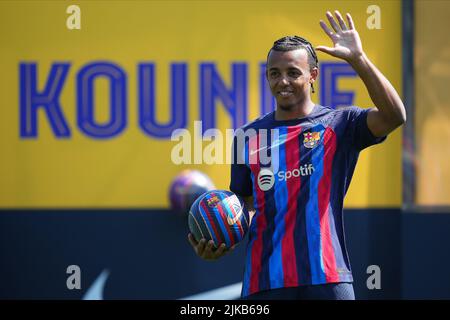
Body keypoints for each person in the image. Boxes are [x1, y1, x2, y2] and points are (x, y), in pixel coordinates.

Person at [188, 10, 406, 300]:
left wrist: (359, 60)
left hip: (327, 279)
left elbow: (394, 116)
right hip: (265, 282)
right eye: (275, 73)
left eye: (293, 72)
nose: (283, 82)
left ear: (312, 75)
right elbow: (247, 207)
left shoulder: (340, 125)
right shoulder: (246, 137)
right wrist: (223, 236)